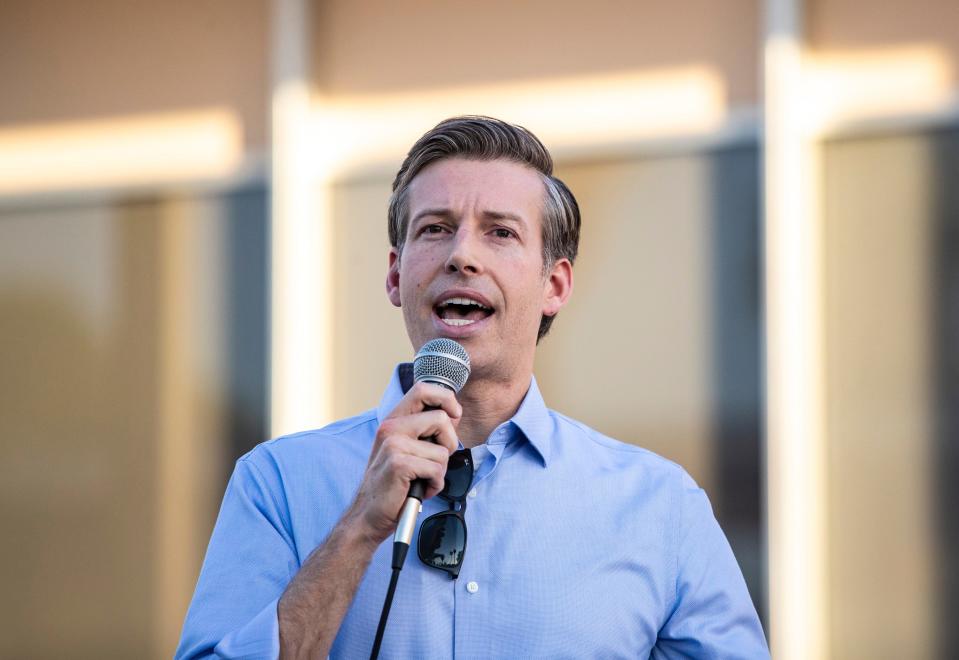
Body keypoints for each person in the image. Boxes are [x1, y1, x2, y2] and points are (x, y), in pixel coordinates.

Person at [176, 116, 769, 659]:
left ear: (554, 285)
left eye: (500, 233)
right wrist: (360, 526)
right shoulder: (278, 483)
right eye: (435, 229)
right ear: (394, 274)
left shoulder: (660, 507)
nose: (462, 254)